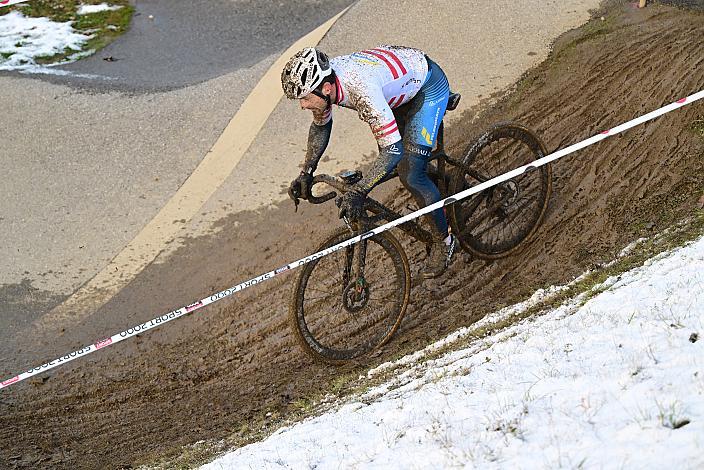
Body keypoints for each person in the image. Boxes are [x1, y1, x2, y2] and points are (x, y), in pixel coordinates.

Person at [282, 45, 457, 279]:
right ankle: (451, 186)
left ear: (325, 88)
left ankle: (444, 242)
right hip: (398, 90)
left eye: (304, 98)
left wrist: (360, 190)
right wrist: (307, 171)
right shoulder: (327, 87)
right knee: (400, 163)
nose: (303, 105)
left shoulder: (360, 90)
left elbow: (392, 151)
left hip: (428, 87)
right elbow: (321, 125)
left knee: (410, 172)